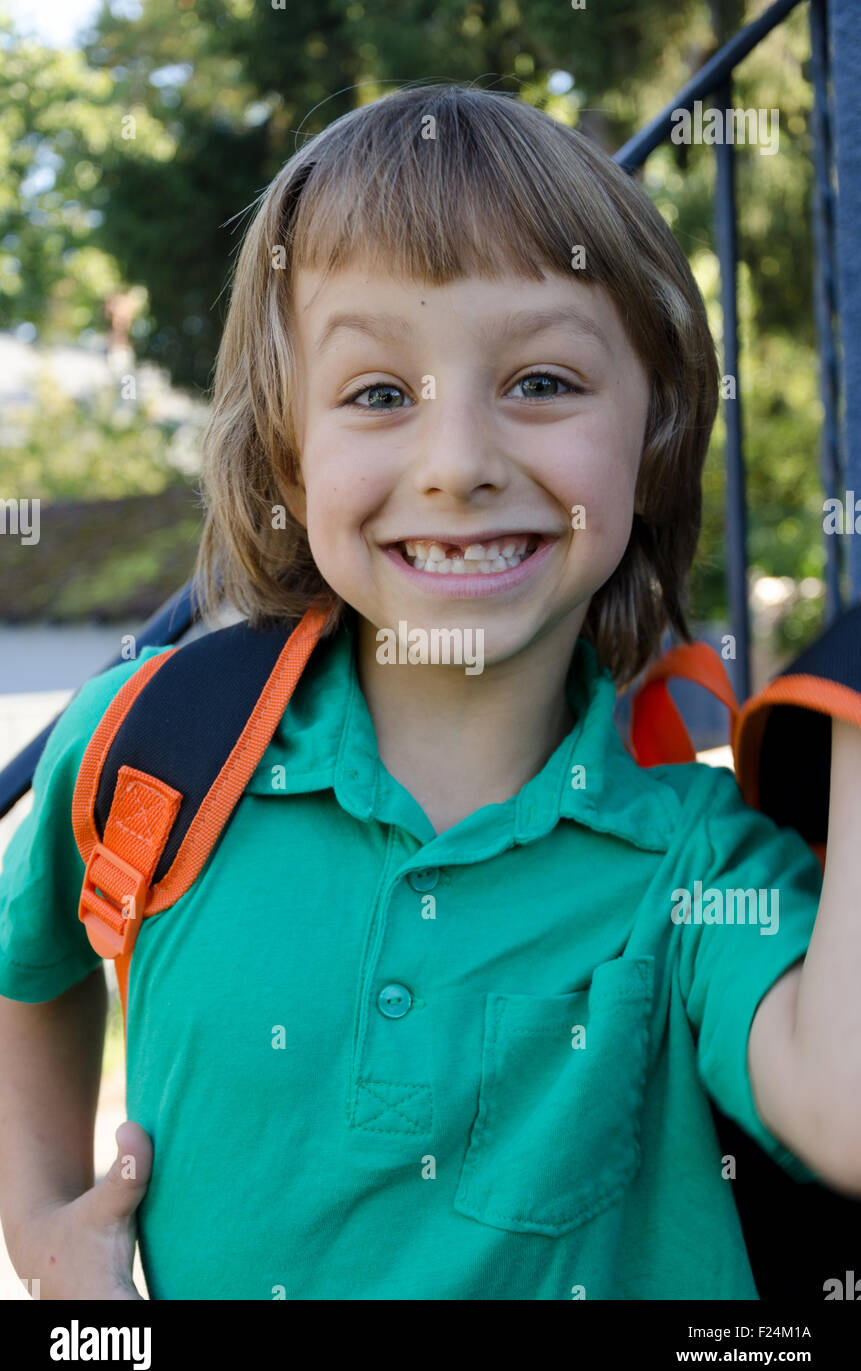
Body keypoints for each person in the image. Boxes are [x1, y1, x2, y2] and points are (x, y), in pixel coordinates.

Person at [1, 83, 860, 1302]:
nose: (458, 464)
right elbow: (25, 966)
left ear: (655, 425)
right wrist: (43, 1225)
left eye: (545, 382)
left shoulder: (699, 870)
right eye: (380, 394)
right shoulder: (155, 747)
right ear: (289, 452)